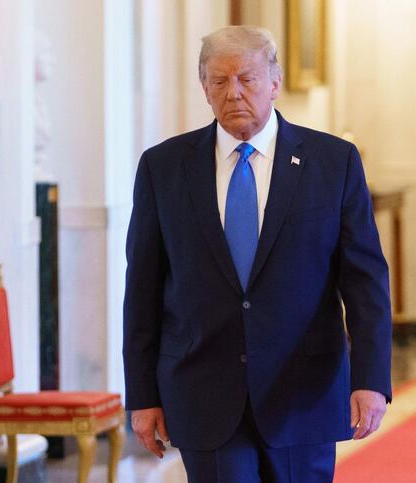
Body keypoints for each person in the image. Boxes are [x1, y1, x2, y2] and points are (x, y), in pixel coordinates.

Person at [123, 26, 392, 482]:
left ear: (274, 82)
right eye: (219, 80)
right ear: (203, 87)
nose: (233, 93)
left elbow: (365, 283)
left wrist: (370, 380)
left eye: (246, 79)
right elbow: (142, 291)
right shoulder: (163, 167)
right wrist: (143, 394)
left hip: (302, 394)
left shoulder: (333, 162)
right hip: (203, 391)